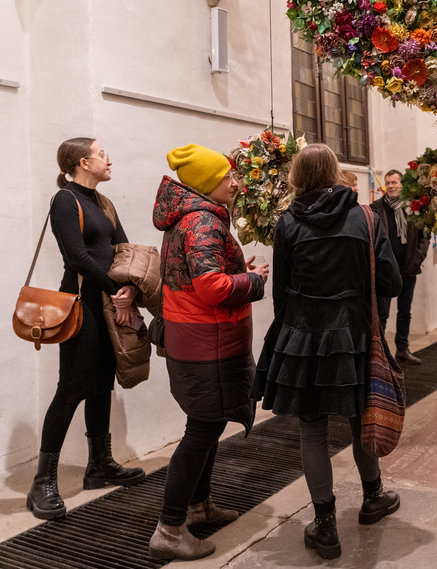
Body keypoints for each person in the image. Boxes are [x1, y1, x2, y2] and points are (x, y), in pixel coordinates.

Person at [252, 144, 403, 560]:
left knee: (312, 428)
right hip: (353, 332)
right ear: (336, 171)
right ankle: (373, 497)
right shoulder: (366, 218)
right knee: (360, 418)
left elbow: (280, 291)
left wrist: (294, 329)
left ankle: (324, 526)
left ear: (298, 177)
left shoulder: (287, 223)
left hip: (303, 335)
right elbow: (391, 283)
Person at [148, 144, 268, 561]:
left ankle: (198, 507)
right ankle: (169, 527)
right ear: (205, 183)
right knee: (200, 431)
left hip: (197, 340)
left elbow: (206, 278)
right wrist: (251, 279)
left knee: (209, 424)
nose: (235, 182)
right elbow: (212, 288)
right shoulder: (202, 221)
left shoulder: (193, 216)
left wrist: (238, 272)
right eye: (227, 176)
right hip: (207, 345)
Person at [26, 138, 146, 521]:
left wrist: (129, 287)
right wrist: (117, 290)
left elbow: (122, 247)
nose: (108, 159)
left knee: (101, 384)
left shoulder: (103, 202)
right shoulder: (66, 200)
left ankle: (100, 465)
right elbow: (76, 256)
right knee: (72, 388)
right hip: (81, 304)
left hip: (109, 303)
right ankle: (42, 481)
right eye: (101, 154)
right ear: (83, 162)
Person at [370, 169, 430, 363]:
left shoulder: (413, 207)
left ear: (402, 184)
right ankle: (380, 353)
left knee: (405, 311)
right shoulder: (376, 208)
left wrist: (419, 256)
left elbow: (424, 235)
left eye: (394, 182)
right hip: (385, 270)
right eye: (388, 183)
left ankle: (402, 348)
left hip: (408, 267)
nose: (391, 186)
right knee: (382, 313)